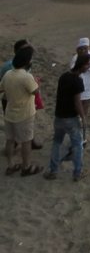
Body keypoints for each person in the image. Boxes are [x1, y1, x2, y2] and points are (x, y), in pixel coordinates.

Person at [43, 52, 90, 181]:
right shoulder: (78, 81)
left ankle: (53, 170)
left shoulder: (64, 76)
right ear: (81, 65)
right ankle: (77, 173)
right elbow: (77, 102)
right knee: (77, 145)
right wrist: (83, 118)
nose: (89, 68)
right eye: (87, 65)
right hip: (70, 118)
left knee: (57, 143)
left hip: (59, 116)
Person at [1, 45, 41, 176]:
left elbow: (1, 89)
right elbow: (35, 91)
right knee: (26, 142)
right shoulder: (26, 77)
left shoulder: (8, 74)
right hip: (24, 114)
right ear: (27, 62)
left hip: (10, 113)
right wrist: (37, 82)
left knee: (10, 140)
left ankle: (11, 165)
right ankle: (26, 167)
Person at [70, 39, 90, 117]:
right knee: (76, 111)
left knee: (83, 110)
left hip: (87, 90)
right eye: (81, 49)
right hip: (77, 89)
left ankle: (81, 123)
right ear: (77, 50)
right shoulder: (75, 58)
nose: (83, 50)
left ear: (88, 48)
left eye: (85, 48)